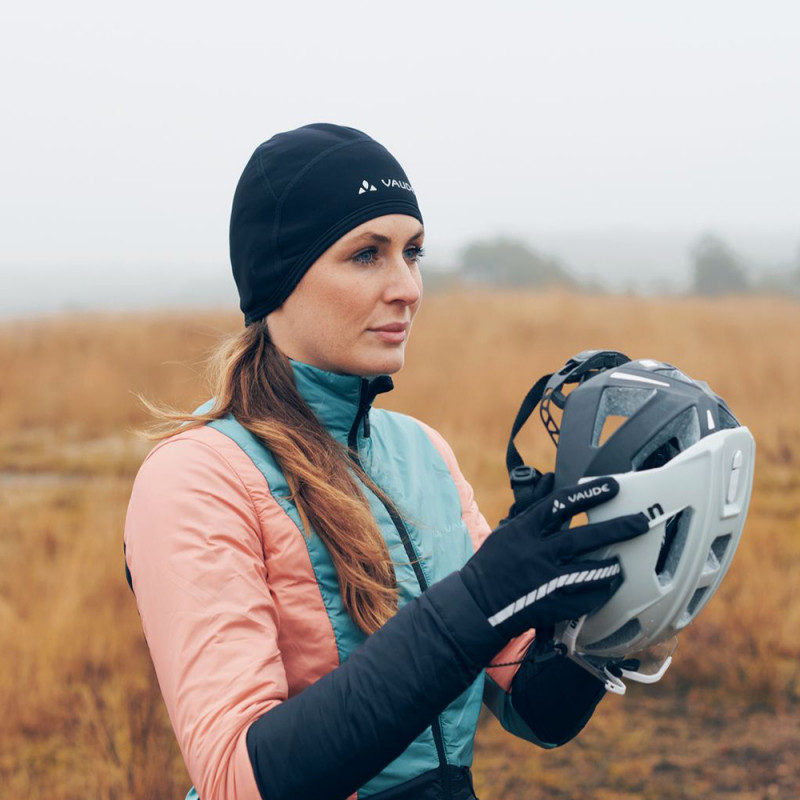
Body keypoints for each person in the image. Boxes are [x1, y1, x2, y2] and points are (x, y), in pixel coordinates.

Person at [124, 123, 648, 800]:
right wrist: (481, 601)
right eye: (367, 255)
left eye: (414, 252)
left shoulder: (423, 451)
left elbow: (533, 707)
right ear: (280, 277)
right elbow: (237, 779)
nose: (407, 288)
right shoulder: (196, 478)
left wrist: (624, 601)